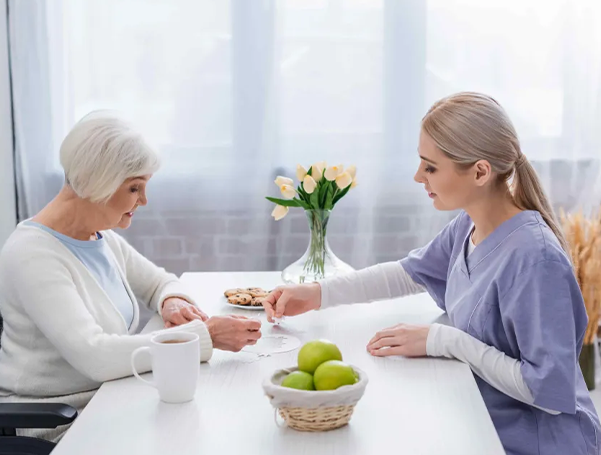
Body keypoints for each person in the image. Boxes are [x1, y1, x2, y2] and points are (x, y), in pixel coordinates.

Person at [263, 92, 600, 455]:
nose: (418, 176)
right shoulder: (470, 226)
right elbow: (409, 273)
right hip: (480, 418)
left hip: (538, 443)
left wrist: (443, 340)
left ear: (480, 172)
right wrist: (317, 293)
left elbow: (546, 393)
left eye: (431, 167)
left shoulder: (536, 259)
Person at [0, 112, 261, 442]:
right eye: (134, 187)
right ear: (99, 182)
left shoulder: (98, 236)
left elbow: (159, 281)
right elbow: (95, 355)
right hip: (62, 425)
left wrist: (172, 300)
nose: (144, 200)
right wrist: (203, 336)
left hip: (111, 399)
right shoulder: (32, 255)